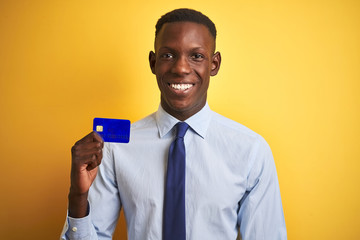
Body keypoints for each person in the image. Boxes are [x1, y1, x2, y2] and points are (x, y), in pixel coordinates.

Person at [61, 8, 287, 240]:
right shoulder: (116, 147)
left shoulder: (251, 150)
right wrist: (78, 197)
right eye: (168, 55)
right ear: (153, 62)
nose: (180, 68)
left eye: (196, 56)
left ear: (214, 64)